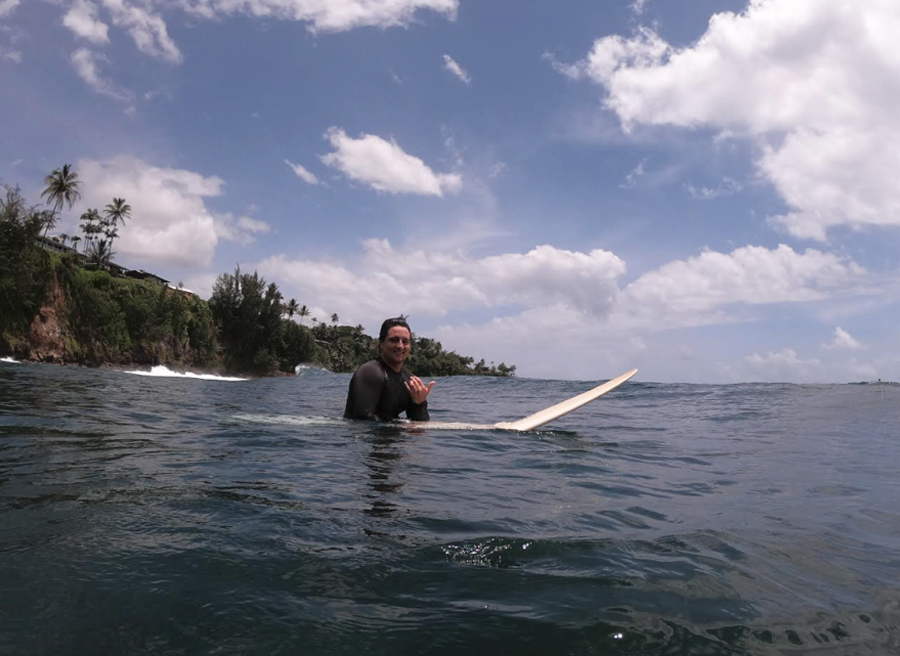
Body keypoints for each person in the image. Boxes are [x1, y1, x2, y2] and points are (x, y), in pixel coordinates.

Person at [343, 316, 436, 422]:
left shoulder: (409, 381)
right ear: (382, 344)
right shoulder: (370, 372)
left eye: (405, 341)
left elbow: (418, 427)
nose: (400, 346)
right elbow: (361, 421)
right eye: (394, 340)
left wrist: (419, 404)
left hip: (391, 437)